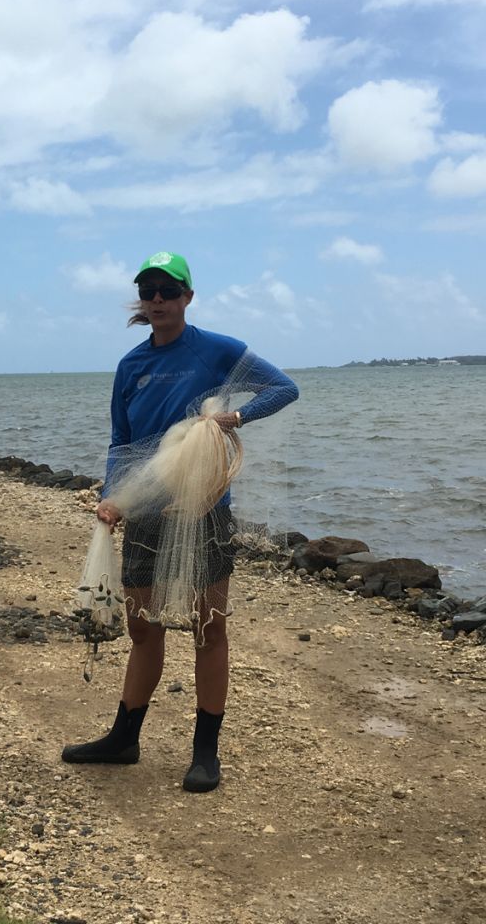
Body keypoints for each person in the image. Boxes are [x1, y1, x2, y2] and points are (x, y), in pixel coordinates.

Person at [62, 251, 299, 793]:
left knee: (207, 628)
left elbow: (283, 388)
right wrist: (110, 496)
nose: (159, 300)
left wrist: (235, 417)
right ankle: (124, 739)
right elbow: (121, 445)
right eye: (149, 292)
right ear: (142, 302)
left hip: (203, 511)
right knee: (142, 627)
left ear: (188, 296)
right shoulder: (131, 366)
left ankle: (204, 753)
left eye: (169, 291)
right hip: (143, 511)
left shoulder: (218, 350)